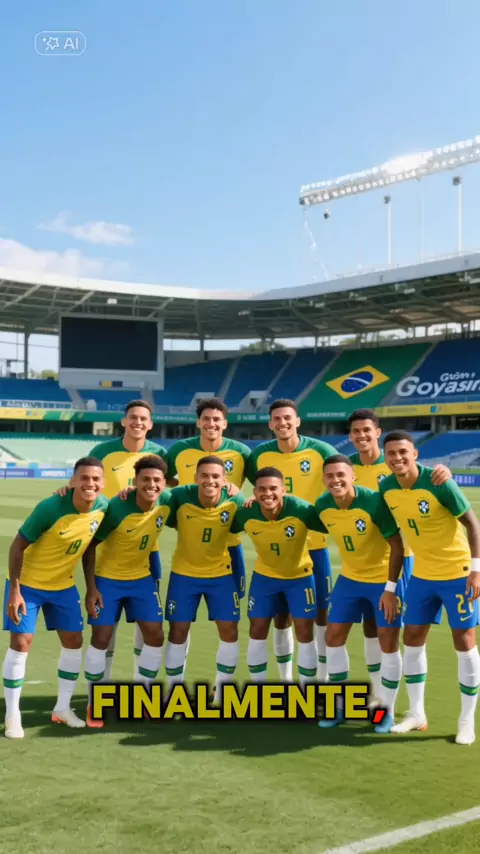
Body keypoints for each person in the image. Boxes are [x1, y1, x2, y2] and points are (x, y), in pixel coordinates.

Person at [380, 430, 480, 745]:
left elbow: (473, 524)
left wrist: (476, 570)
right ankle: (416, 714)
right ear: (386, 458)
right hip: (422, 576)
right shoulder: (386, 488)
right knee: (412, 637)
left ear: (415, 454)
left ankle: (466, 721)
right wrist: (390, 586)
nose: (397, 458)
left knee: (464, 640)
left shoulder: (438, 481)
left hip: (457, 573)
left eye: (403, 452)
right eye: (391, 453)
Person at [347, 408, 451, 706]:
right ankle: (378, 694)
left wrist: (444, 471)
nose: (362, 436)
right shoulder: (346, 466)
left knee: (402, 631)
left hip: (400, 556)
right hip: (365, 560)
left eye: (367, 430)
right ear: (350, 436)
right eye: (356, 431)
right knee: (371, 627)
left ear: (377, 433)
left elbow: (423, 478)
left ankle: (410, 705)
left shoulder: (394, 461)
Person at [57, 399, 168, 680]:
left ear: (150, 424)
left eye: (143, 418)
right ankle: (101, 691)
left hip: (147, 552)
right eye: (133, 417)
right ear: (124, 421)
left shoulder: (159, 453)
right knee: (106, 629)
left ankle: (142, 687)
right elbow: (83, 479)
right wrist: (66, 490)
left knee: (149, 625)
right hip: (107, 543)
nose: (138, 422)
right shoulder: (103, 451)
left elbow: (169, 485)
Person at [2, 457, 108, 738]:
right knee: (21, 642)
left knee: (74, 641)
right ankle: (12, 715)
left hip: (63, 586)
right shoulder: (50, 507)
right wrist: (15, 591)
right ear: (72, 481)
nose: (90, 483)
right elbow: (17, 546)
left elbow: (88, 549)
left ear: (103, 483)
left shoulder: (103, 507)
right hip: (28, 585)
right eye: (83, 478)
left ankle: (62, 708)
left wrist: (92, 588)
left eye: (95, 479)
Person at [247, 399, 336, 681]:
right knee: (281, 618)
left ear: (297, 421)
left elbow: (345, 474)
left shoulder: (321, 451)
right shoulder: (260, 455)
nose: (282, 423)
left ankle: (321, 681)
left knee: (319, 617)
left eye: (288, 418)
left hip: (315, 547)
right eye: (277, 418)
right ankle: (285, 681)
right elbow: (255, 487)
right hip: (279, 552)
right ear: (270, 424)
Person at [315, 454, 405, 733]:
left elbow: (398, 546)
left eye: (341, 474)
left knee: (388, 642)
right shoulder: (322, 506)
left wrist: (390, 589)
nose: (335, 480)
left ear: (352, 476)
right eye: (330, 476)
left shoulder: (373, 502)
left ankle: (385, 711)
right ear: (323, 479)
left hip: (382, 581)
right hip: (350, 579)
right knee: (333, 637)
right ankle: (340, 706)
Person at [81, 455, 171, 728]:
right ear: (135, 481)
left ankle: (143, 698)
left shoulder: (168, 500)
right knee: (102, 637)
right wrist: (91, 588)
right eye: (145, 480)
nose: (151, 485)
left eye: (156, 480)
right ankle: (95, 703)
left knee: (155, 635)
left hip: (141, 579)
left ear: (164, 483)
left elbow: (197, 492)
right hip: (108, 581)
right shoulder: (116, 508)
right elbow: (90, 546)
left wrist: (231, 488)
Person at [231, 467, 326, 686]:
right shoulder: (246, 513)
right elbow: (221, 521)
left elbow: (332, 523)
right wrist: (232, 493)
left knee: (304, 631)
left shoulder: (301, 510)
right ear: (254, 493)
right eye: (262, 489)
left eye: (273, 488)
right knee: (257, 629)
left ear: (284, 490)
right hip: (265, 578)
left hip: (300, 578)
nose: (268, 494)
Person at [164, 455, 244, 699]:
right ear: (196, 477)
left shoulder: (235, 501)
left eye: (216, 476)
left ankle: (222, 688)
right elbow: (149, 498)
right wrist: (128, 491)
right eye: (205, 476)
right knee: (178, 630)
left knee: (229, 630)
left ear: (224, 479)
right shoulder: (179, 497)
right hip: (184, 574)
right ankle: (174, 689)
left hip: (221, 574)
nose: (210, 480)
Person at [167, 398, 251, 600]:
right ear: (198, 422)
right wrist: (181, 488)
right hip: (190, 545)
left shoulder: (241, 452)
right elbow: (161, 478)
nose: (211, 424)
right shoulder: (180, 450)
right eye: (206, 419)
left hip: (228, 542)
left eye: (216, 419)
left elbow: (264, 483)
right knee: (183, 610)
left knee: (232, 606)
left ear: (225, 423)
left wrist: (242, 495)